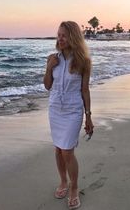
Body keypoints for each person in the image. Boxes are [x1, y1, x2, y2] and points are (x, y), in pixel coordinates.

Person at [43, 21, 94, 209]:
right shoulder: (52, 58)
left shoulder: (83, 61)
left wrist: (88, 116)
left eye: (63, 35)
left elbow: (85, 90)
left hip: (73, 110)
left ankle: (74, 187)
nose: (60, 39)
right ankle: (63, 182)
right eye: (58, 35)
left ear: (73, 37)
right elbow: (47, 85)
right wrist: (49, 67)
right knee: (58, 148)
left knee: (67, 151)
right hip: (55, 108)